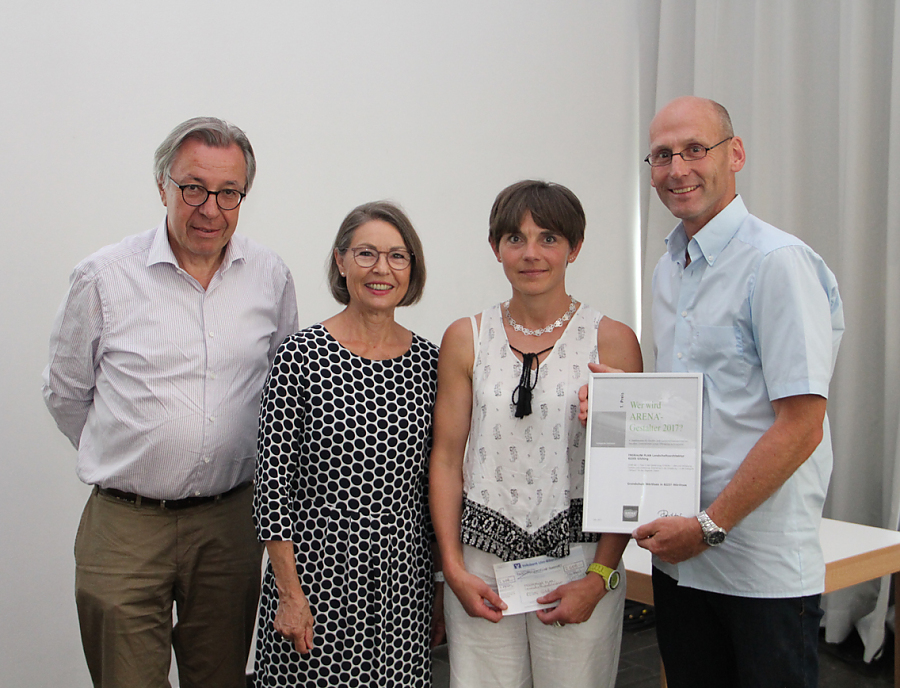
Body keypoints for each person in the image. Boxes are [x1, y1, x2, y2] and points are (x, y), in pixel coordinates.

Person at [42, 117, 299, 688]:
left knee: (220, 677)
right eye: (193, 188)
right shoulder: (103, 277)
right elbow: (65, 392)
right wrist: (132, 455)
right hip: (126, 527)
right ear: (162, 186)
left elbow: (283, 394)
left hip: (230, 525)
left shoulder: (269, 276)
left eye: (228, 192)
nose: (210, 208)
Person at [629, 96, 844, 687]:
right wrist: (622, 406)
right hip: (680, 562)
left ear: (736, 154)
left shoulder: (777, 263)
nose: (677, 169)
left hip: (758, 569)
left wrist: (707, 527)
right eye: (662, 155)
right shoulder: (668, 269)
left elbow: (802, 424)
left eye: (695, 149)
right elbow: (690, 403)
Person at [429, 180, 643, 688]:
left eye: (548, 238)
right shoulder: (466, 337)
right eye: (515, 238)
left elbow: (628, 470)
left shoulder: (612, 339)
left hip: (580, 560)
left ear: (575, 247)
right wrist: (453, 568)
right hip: (482, 561)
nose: (531, 253)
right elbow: (446, 459)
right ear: (495, 247)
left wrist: (601, 576)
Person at [253, 201, 441, 686]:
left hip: (403, 585)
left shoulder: (430, 364)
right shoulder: (301, 357)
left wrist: (440, 586)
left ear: (412, 268)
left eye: (397, 256)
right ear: (341, 261)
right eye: (366, 253)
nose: (382, 269)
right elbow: (272, 488)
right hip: (316, 581)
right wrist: (289, 595)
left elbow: (437, 487)